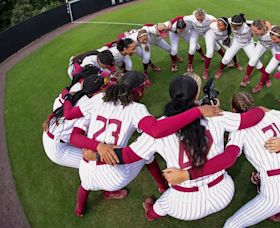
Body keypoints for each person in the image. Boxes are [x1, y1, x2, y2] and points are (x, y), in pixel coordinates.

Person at [84, 75, 268, 221]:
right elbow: (248, 120)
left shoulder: (159, 127)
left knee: (158, 207)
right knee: (235, 137)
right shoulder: (215, 114)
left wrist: (98, 155)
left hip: (184, 204)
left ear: (173, 97)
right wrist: (260, 109)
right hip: (224, 192)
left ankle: (150, 214)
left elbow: (129, 155)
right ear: (196, 96)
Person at [67, 71, 221, 216]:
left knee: (85, 184)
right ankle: (162, 185)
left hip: (86, 168)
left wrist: (98, 146)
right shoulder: (137, 109)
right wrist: (198, 111)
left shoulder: (98, 98)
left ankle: (79, 210)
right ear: (139, 91)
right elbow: (155, 130)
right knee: (147, 153)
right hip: (114, 176)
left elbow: (73, 136)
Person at [162, 91, 280, 225]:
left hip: (277, 190)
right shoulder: (270, 114)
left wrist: (188, 174)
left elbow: (229, 158)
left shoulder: (238, 131)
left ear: (234, 111)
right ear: (252, 104)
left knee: (231, 226)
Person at [42, 73, 107, 169]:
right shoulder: (89, 102)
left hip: (53, 133)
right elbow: (67, 114)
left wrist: (50, 117)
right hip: (57, 147)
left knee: (95, 158)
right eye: (104, 85)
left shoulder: (79, 94)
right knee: (92, 166)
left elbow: (62, 105)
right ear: (98, 91)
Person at [214, 14, 269, 88]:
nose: (233, 27)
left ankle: (266, 78)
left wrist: (269, 26)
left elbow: (264, 22)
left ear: (241, 23)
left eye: (236, 26)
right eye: (232, 25)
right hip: (236, 42)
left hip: (248, 44)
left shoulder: (249, 24)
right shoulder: (230, 21)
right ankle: (220, 70)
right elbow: (223, 19)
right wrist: (213, 20)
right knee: (226, 59)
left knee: (255, 61)